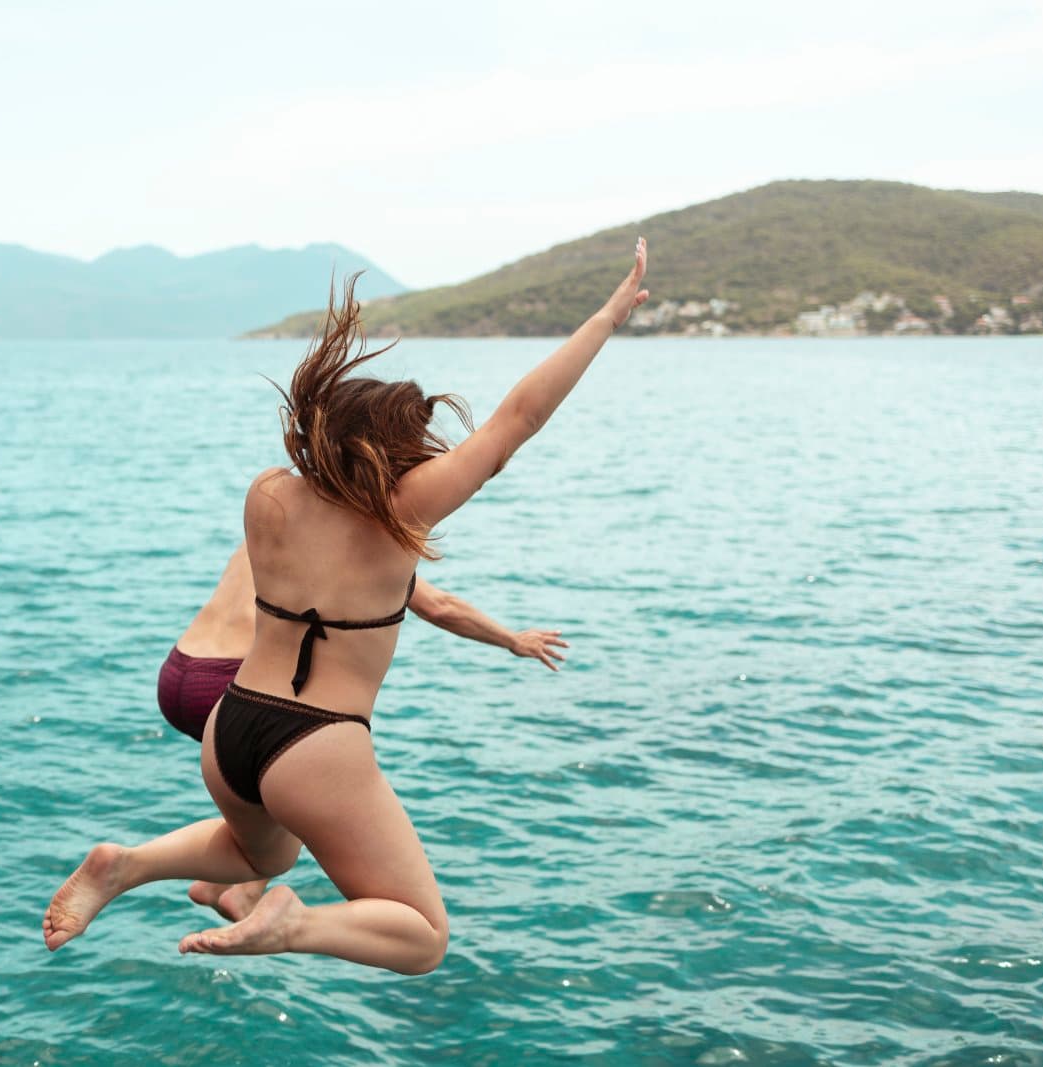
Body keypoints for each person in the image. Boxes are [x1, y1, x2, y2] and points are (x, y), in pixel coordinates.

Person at [44, 238, 649, 975]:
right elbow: (515, 421)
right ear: (395, 449)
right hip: (316, 739)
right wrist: (608, 317)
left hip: (231, 728)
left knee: (256, 851)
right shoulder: (401, 514)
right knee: (421, 935)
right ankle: (294, 923)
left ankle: (125, 864)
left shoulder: (269, 492)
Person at [158, 540, 568, 920]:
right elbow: (440, 605)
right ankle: (240, 891)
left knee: (269, 792)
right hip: (230, 680)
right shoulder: (347, 542)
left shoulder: (275, 516)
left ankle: (222, 882)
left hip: (180, 671)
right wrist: (513, 640)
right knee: (305, 767)